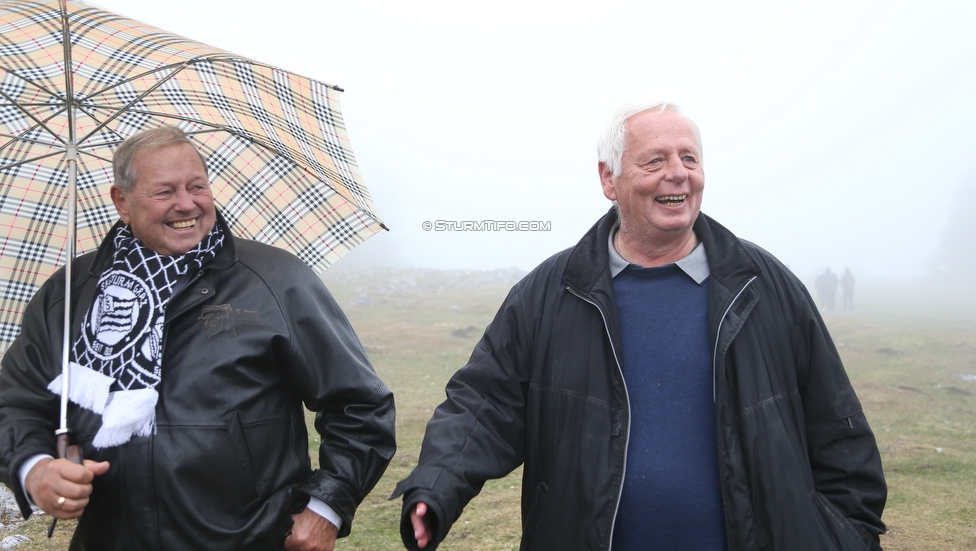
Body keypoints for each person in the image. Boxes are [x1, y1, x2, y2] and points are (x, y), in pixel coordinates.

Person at [392, 103, 886, 550]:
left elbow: (838, 429)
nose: (678, 175)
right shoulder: (549, 293)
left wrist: (846, 535)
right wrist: (436, 488)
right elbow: (483, 405)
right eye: (655, 161)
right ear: (609, 179)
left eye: (689, 159)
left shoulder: (765, 287)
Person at [0, 126, 396, 551]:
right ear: (122, 202)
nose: (186, 204)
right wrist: (36, 469)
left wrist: (326, 509)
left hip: (250, 540)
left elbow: (360, 404)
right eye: (165, 192)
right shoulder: (70, 294)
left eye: (197, 187)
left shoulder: (276, 281)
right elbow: (14, 403)